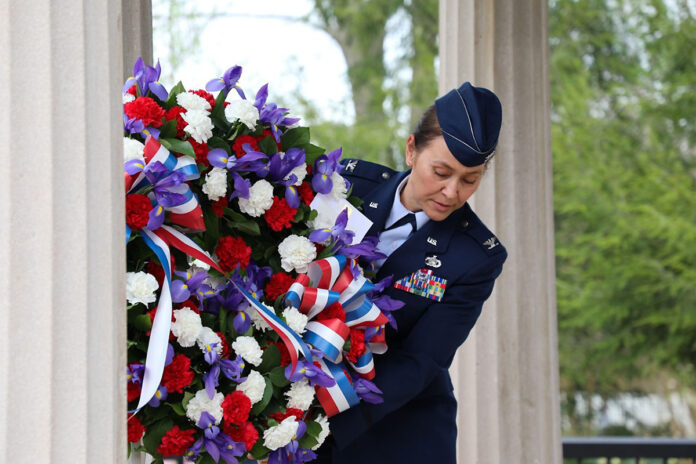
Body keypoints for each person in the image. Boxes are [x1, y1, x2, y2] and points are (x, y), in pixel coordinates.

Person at [314, 82, 507, 463]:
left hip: (398, 432)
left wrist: (322, 423)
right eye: (441, 172)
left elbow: (420, 361)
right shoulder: (348, 186)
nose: (452, 192)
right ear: (411, 150)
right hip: (297, 406)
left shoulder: (476, 256)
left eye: (470, 179)